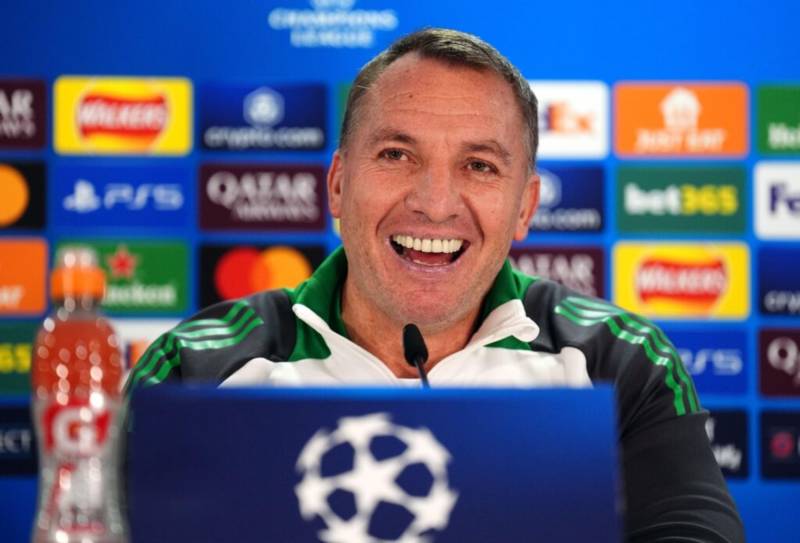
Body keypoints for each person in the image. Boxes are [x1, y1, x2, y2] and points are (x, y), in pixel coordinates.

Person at [126, 28, 744, 542]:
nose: (435, 203)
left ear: (526, 207)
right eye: (397, 154)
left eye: (479, 166)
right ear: (338, 184)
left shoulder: (621, 361)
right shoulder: (195, 368)